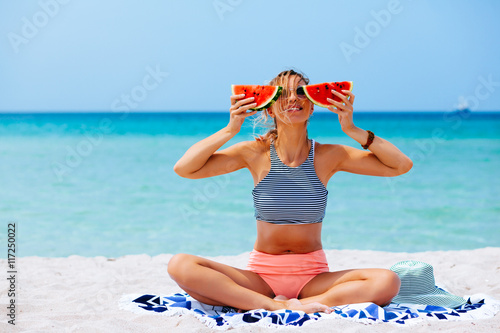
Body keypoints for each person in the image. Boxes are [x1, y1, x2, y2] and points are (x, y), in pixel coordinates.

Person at [168, 69, 413, 313]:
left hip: (314, 278)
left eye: (300, 92)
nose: (293, 99)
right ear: (270, 109)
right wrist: (230, 130)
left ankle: (280, 306)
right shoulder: (254, 153)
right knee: (180, 265)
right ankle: (275, 305)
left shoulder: (330, 155)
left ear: (313, 106)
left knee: (387, 281)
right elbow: (185, 168)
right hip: (261, 276)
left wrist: (352, 130)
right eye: (282, 94)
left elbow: (400, 166)